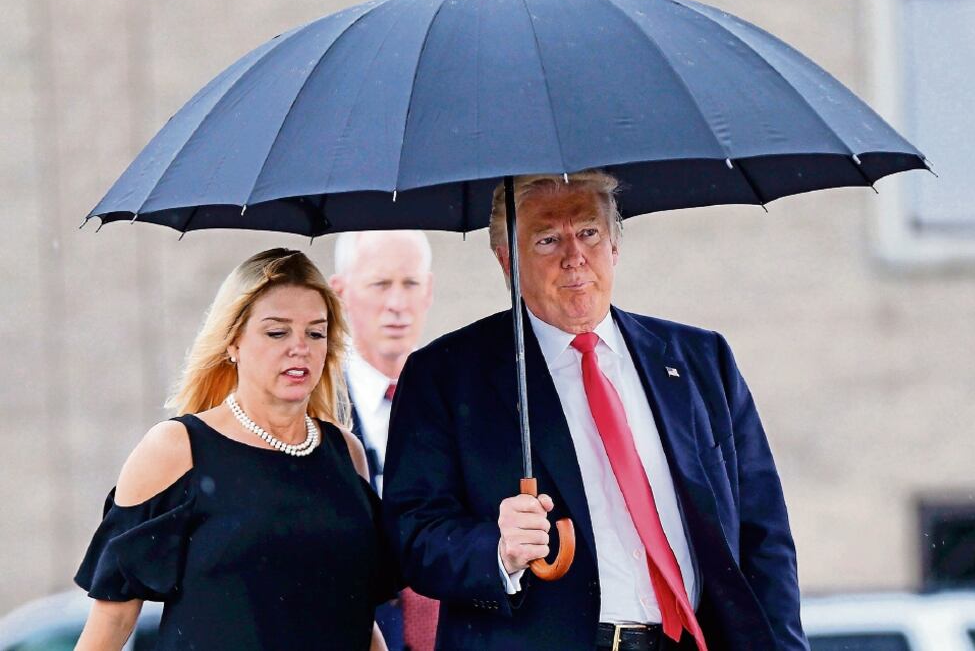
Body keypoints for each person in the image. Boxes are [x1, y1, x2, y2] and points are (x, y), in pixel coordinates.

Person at [382, 172, 809, 650]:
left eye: (588, 232)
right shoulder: (444, 375)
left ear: (614, 246)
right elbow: (414, 538)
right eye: (547, 240)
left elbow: (764, 539)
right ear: (508, 262)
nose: (574, 256)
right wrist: (496, 550)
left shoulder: (699, 360)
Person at [74, 249, 396, 651]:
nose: (300, 347)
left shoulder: (346, 453)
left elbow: (356, 615)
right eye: (277, 332)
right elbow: (112, 620)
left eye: (315, 332)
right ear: (233, 342)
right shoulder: (177, 449)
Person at [330, 231, 439, 651]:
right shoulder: (311, 409)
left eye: (410, 283)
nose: (397, 303)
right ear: (341, 292)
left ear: (428, 290)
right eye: (380, 284)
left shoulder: (461, 398)